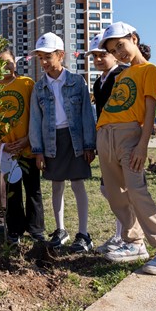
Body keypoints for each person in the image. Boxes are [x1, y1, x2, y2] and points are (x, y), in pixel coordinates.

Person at [96, 22, 156, 275]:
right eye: (113, 49)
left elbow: (149, 109)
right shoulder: (121, 75)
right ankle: (134, 243)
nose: (118, 52)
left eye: (120, 45)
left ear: (134, 39)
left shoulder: (149, 70)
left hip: (129, 135)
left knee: (136, 190)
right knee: (114, 193)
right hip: (105, 134)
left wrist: (142, 145)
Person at [29, 33, 97, 252]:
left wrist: (89, 144)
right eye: (40, 58)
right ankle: (60, 230)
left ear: (61, 55)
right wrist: (38, 150)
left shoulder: (77, 82)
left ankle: (84, 234)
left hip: (74, 138)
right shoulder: (39, 87)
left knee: (78, 184)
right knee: (56, 185)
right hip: (51, 140)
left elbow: (87, 114)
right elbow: (35, 120)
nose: (44, 62)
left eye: (48, 56)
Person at [0, 49, 43, 244]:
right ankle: (14, 229)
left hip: (28, 147)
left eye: (8, 62)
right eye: (0, 64)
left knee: (33, 189)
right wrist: (0, 144)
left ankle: (36, 228)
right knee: (12, 192)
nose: (6, 67)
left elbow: (37, 115)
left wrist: (28, 139)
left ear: (15, 63)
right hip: (7, 150)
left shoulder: (27, 84)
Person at [87, 34, 136, 254]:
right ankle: (121, 234)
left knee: (121, 191)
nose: (98, 60)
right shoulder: (100, 81)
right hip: (105, 137)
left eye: (103, 55)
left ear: (115, 56)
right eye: (94, 56)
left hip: (122, 137)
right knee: (110, 190)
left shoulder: (122, 75)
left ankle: (127, 236)